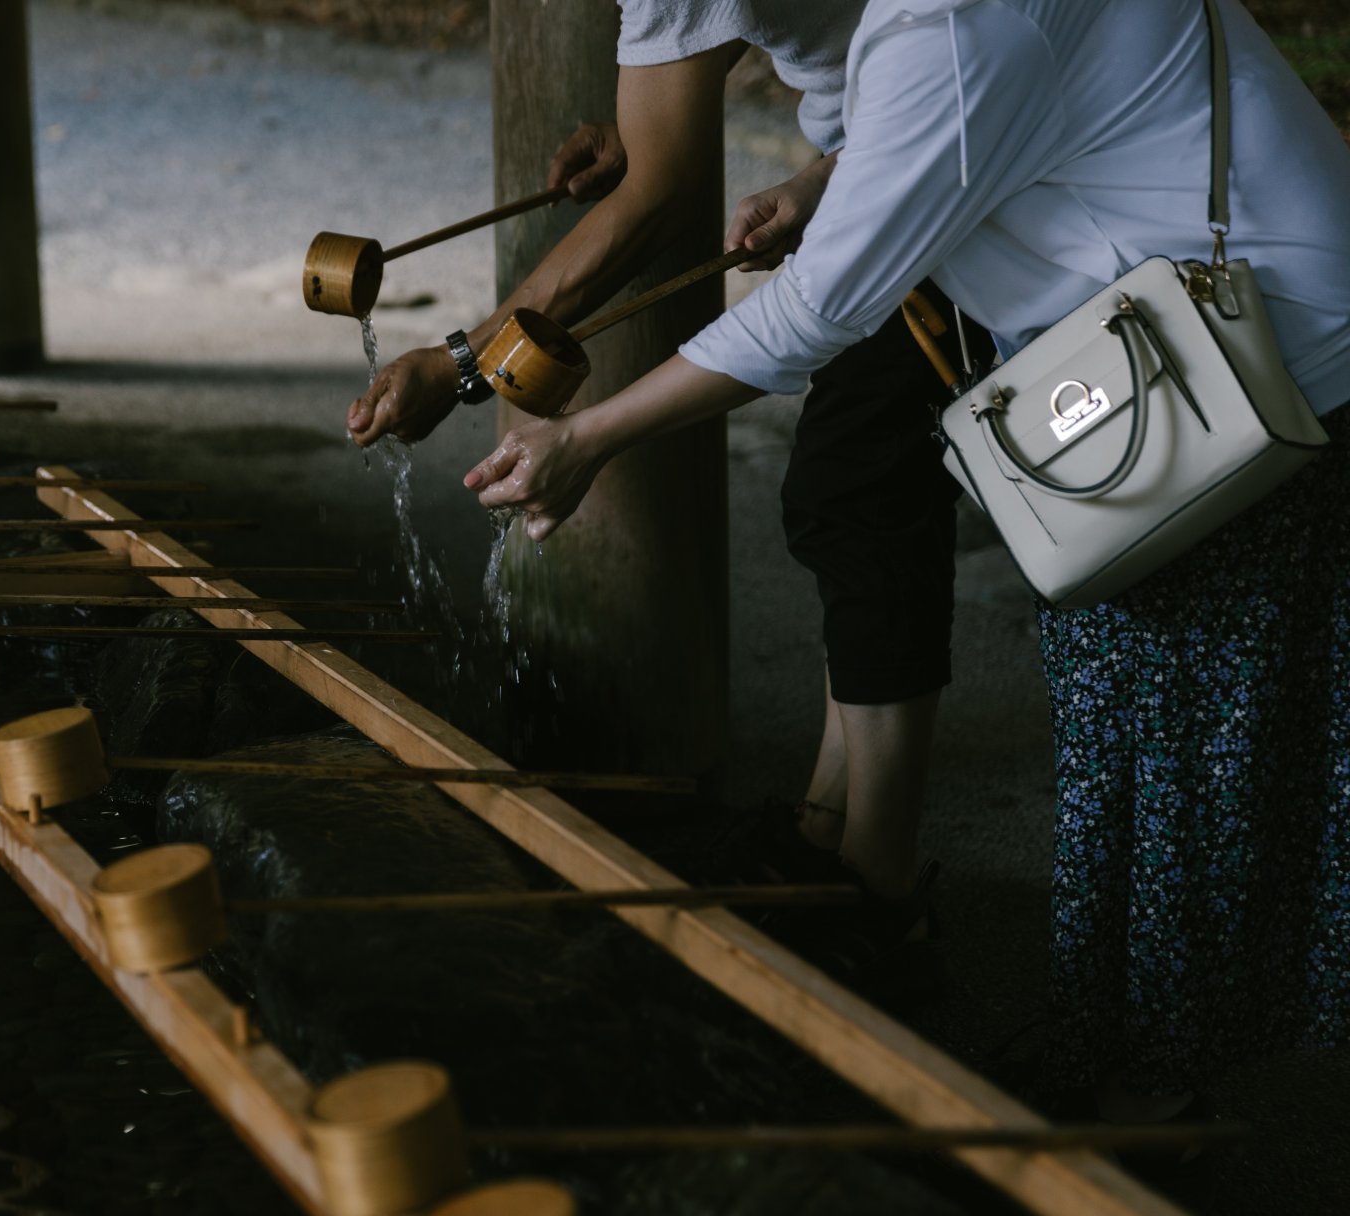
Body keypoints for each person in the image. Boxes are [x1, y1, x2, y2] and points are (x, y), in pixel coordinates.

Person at [461, 0, 1350, 1120]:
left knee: (1192, 762)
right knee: (1127, 729)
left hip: (1261, 354)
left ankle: (1148, 1101)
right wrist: (825, 186)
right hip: (1177, 343)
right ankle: (1113, 1049)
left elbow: (818, 307)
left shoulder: (950, 22)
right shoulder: (922, 27)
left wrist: (586, 439)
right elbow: (972, 135)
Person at [349, 2, 989, 979]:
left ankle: (879, 888)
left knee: (855, 479)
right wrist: (648, 123)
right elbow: (667, 134)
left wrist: (463, 370)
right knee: (854, 486)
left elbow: (670, 209)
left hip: (954, 152)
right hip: (876, 151)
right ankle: (828, 832)